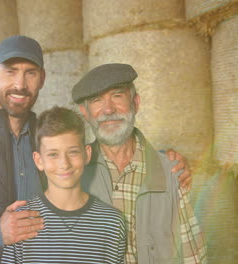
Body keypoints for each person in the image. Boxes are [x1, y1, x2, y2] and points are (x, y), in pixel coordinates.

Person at [0, 35, 191, 263]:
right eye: (11, 72)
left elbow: (107, 158)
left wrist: (166, 162)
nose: (20, 84)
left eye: (30, 73)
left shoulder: (51, 141)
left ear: (42, 79)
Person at [72, 63, 207, 263]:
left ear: (136, 103)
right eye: (97, 100)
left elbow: (193, 256)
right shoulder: (73, 175)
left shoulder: (171, 172)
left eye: (117, 96)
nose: (108, 109)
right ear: (85, 112)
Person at [1, 106, 127, 264]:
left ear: (87, 154)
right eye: (53, 154)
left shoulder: (112, 222)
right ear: (39, 161)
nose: (64, 164)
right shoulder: (21, 221)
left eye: (73, 152)